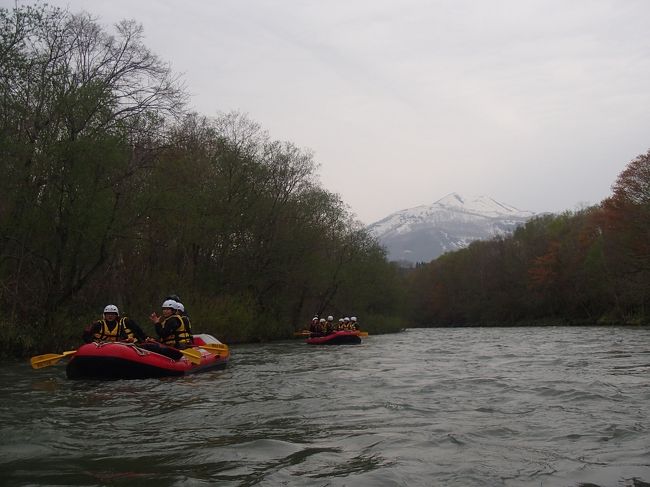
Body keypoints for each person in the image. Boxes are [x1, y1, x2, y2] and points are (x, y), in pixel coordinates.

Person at [82, 304, 148, 344]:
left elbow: (124, 338)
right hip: (98, 347)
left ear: (116, 315)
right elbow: (86, 335)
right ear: (104, 315)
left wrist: (128, 340)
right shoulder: (98, 324)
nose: (110, 316)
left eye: (112, 314)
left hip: (113, 348)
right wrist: (92, 343)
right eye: (108, 314)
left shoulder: (119, 326)